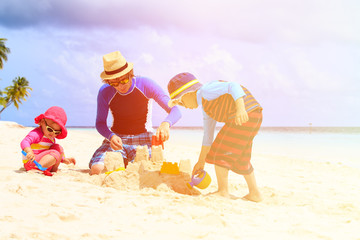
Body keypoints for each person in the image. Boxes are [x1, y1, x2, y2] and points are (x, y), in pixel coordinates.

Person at [167, 72, 263, 201]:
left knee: (220, 151)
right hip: (254, 116)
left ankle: (223, 191)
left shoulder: (206, 90)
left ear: (188, 93)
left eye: (181, 102)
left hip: (245, 114)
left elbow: (233, 86)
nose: (184, 107)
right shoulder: (207, 108)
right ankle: (255, 193)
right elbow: (208, 135)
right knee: (242, 157)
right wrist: (201, 161)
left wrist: (240, 108)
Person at [89, 51, 181, 175]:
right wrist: (111, 136)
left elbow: (176, 110)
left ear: (130, 74)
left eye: (123, 80)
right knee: (98, 169)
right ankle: (125, 163)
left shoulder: (145, 84)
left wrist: (166, 124)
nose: (120, 86)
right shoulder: (105, 91)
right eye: (114, 83)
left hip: (143, 139)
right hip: (117, 139)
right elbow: (100, 123)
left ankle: (126, 163)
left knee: (146, 171)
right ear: (108, 81)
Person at [20, 106, 76, 176]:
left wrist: (63, 159)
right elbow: (24, 142)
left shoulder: (51, 138)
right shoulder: (36, 134)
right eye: (50, 129)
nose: (53, 133)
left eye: (56, 132)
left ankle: (53, 169)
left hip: (43, 163)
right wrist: (29, 151)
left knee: (58, 147)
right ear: (42, 122)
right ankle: (37, 168)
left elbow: (52, 154)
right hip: (32, 162)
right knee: (54, 152)